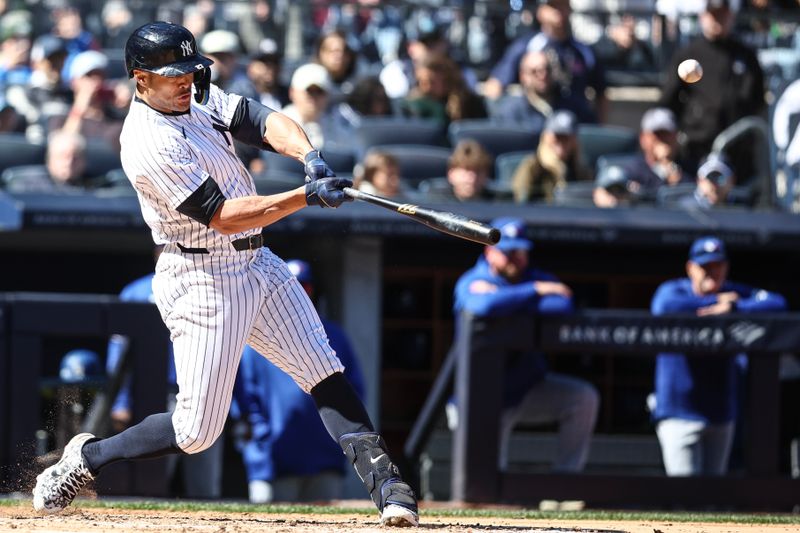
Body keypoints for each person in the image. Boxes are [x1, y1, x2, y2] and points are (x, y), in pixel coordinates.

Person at [32, 21, 418, 527]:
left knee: (322, 369)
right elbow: (224, 214)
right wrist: (305, 197)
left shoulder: (195, 97)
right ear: (140, 78)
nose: (187, 81)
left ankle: (388, 484)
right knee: (196, 432)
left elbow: (259, 119)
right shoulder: (146, 141)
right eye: (173, 75)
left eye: (191, 70)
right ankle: (88, 458)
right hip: (201, 276)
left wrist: (309, 156)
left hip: (257, 262)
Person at [451, 217, 599, 472]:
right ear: (489, 251)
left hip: (525, 388)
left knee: (583, 397)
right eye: (507, 252)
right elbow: (481, 305)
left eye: (519, 251)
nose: (514, 258)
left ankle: (564, 485)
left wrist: (514, 296)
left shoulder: (532, 278)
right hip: (479, 396)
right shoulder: (472, 279)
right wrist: (536, 291)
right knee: (485, 484)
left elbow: (562, 305)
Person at [231, 259, 366, 503]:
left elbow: (354, 391)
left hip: (324, 459)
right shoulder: (256, 336)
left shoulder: (333, 335)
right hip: (273, 460)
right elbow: (242, 397)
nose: (299, 295)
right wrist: (262, 437)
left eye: (305, 288)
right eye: (293, 288)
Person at [651, 236, 787, 476]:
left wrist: (735, 308)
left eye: (717, 266)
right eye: (705, 267)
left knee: (714, 500)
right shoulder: (676, 290)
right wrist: (714, 302)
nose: (711, 273)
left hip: (720, 411)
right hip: (679, 410)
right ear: (691, 268)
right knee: (687, 499)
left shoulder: (734, 294)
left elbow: (777, 302)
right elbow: (663, 306)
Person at [104, 245, 224, 500]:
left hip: (204, 391)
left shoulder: (210, 286)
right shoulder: (137, 292)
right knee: (151, 478)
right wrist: (121, 401)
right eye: (163, 245)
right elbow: (118, 355)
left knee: (204, 483)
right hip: (152, 395)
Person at [658, 0, 765, 172]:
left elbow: (757, 101)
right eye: (713, 14)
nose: (717, 20)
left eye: (722, 14)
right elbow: (668, 103)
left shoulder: (745, 55)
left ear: (731, 16)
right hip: (697, 149)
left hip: (737, 150)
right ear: (703, 16)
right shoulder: (689, 54)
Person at [483, 0, 607, 123]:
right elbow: (495, 85)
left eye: (563, 6)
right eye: (553, 6)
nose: (558, 11)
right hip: (536, 119)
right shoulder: (527, 46)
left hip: (574, 120)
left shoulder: (583, 51)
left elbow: (601, 92)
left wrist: (600, 124)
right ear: (540, 11)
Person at [491, 49, 593, 128]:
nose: (542, 75)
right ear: (523, 76)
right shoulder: (510, 111)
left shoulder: (572, 107)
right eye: (535, 71)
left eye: (547, 69)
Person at [511, 109, 592, 204]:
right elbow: (520, 201)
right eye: (557, 136)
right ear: (545, 136)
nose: (561, 142)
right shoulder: (533, 166)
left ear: (574, 141)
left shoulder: (581, 169)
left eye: (566, 138)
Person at [619, 107, 692, 201]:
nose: (662, 140)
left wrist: (676, 178)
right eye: (656, 135)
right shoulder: (633, 171)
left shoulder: (689, 169)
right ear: (643, 139)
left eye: (666, 134)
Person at [421, 139, 493, 203]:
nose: (472, 179)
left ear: (486, 174)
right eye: (466, 170)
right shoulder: (434, 199)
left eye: (478, 171)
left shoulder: (498, 201)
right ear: (451, 173)